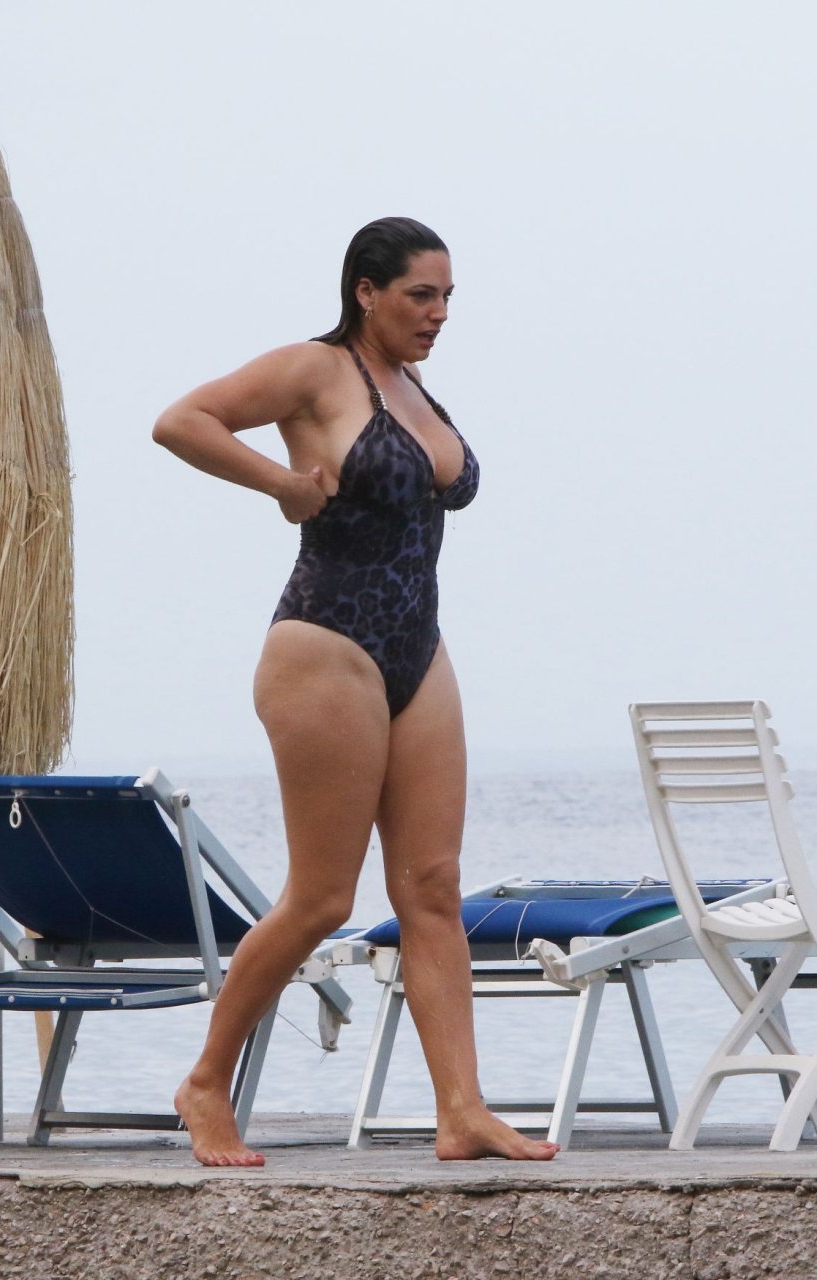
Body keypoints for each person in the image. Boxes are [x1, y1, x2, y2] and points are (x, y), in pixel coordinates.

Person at [152, 217, 559, 1166]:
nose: (439, 313)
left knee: (433, 887)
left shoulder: (414, 388)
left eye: (448, 297)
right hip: (326, 642)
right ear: (366, 291)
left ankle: (461, 1110)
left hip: (418, 647)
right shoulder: (315, 368)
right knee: (323, 899)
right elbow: (182, 421)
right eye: (421, 294)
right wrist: (278, 482)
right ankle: (205, 1083)